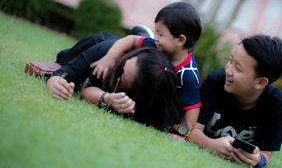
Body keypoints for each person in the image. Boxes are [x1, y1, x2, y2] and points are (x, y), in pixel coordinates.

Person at [91, 2, 202, 134]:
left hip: (163, 112)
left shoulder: (188, 75)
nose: (156, 38)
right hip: (144, 98)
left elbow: (192, 109)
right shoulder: (155, 45)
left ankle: (144, 34)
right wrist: (109, 58)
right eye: (155, 33)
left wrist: (181, 133)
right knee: (144, 42)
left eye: (160, 34)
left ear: (180, 40)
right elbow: (131, 40)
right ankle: (144, 35)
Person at [187, 34, 282, 168]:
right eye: (230, 60)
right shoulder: (216, 82)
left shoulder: (276, 103)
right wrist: (211, 145)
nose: (228, 70)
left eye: (238, 68)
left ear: (260, 82)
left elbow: (265, 157)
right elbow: (190, 132)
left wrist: (257, 160)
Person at [46, 35, 182, 131]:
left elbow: (88, 91)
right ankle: (142, 34)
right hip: (95, 45)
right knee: (62, 60)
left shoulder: (154, 96)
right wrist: (55, 83)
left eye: (122, 77)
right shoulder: (104, 51)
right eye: (125, 62)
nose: (116, 66)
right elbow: (59, 75)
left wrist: (107, 98)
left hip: (97, 84)